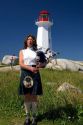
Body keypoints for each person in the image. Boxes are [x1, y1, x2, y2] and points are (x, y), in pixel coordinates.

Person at [19, 34, 46, 125]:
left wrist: (40, 66)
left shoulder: (38, 52)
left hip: (35, 73)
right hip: (26, 73)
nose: (30, 41)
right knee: (27, 95)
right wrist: (30, 68)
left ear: (33, 41)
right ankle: (27, 117)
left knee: (34, 96)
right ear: (26, 41)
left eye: (31, 39)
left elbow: (44, 63)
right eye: (28, 39)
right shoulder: (22, 51)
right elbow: (21, 64)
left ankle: (34, 117)